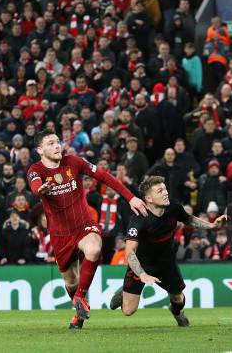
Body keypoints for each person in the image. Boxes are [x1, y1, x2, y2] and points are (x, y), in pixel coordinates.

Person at [27, 129, 147, 330]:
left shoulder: (74, 162)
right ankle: (79, 312)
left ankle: (81, 297)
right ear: (40, 149)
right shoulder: (35, 170)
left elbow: (104, 176)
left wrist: (130, 197)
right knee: (71, 281)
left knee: (93, 249)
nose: (57, 146)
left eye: (57, 142)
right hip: (59, 234)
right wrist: (40, 190)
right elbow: (34, 185)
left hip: (83, 224)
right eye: (50, 143)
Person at [108, 176, 225, 326]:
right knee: (128, 311)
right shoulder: (138, 219)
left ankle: (176, 312)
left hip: (166, 264)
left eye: (165, 189)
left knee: (178, 299)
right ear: (149, 198)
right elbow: (130, 252)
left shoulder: (173, 208)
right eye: (160, 190)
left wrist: (211, 226)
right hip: (141, 266)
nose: (165, 193)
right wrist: (142, 274)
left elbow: (189, 219)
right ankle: (124, 292)